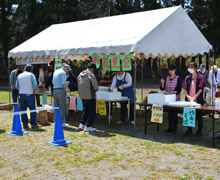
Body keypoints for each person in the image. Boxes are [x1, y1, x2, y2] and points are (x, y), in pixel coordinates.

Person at [183, 62, 204, 136]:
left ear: (195, 68)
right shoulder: (187, 77)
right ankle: (189, 130)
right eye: (189, 68)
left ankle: (199, 131)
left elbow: (201, 88)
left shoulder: (200, 77)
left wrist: (195, 96)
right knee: (188, 114)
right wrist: (187, 96)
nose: (190, 69)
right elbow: (185, 88)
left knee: (198, 115)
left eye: (191, 68)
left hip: (197, 99)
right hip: (189, 99)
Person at [160, 65, 182, 133]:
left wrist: (172, 93)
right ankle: (169, 127)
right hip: (167, 100)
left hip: (175, 100)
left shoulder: (178, 78)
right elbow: (162, 88)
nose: (170, 72)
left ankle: (174, 128)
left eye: (171, 70)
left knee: (174, 114)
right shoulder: (167, 78)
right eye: (169, 70)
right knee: (169, 114)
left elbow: (178, 90)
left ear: (175, 70)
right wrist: (162, 83)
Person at [15, 64, 39, 129]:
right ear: (31, 70)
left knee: (23, 110)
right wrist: (34, 90)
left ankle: (25, 124)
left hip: (21, 94)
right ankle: (33, 123)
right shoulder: (31, 75)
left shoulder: (19, 75)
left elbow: (17, 86)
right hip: (29, 94)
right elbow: (35, 84)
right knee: (32, 109)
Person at [77, 62, 99, 132]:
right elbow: (95, 87)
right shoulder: (91, 75)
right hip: (90, 96)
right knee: (92, 111)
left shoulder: (80, 74)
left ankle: (82, 123)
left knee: (85, 110)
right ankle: (88, 126)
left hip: (82, 96)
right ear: (92, 69)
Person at [52, 63, 70, 127]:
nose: (68, 71)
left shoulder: (55, 72)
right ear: (66, 68)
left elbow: (53, 82)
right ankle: (62, 122)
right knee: (62, 107)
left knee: (56, 107)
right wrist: (67, 83)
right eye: (68, 70)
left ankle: (55, 121)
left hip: (54, 90)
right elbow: (63, 83)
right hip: (61, 90)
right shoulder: (63, 73)